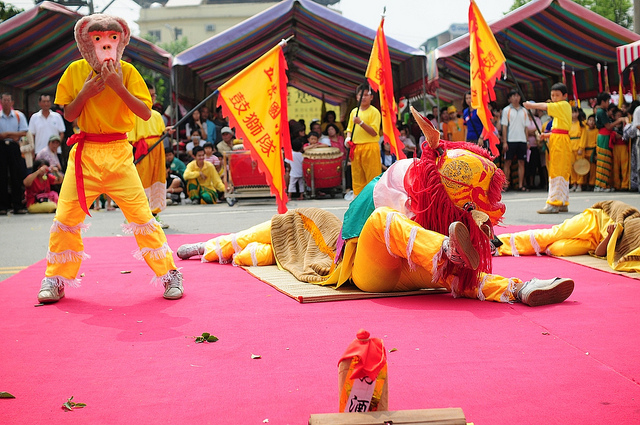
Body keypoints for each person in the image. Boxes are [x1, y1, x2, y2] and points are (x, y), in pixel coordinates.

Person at [176, 107, 574, 307]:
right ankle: (215, 246)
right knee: (286, 231)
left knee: (447, 264)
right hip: (392, 267)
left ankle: (522, 289)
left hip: (404, 267)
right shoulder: (401, 180)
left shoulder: (416, 184)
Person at [37, 14, 183, 304]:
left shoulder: (127, 71)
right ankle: (55, 278)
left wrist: (117, 86)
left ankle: (169, 274)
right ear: (85, 42)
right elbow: (69, 114)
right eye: (98, 38)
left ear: (121, 40)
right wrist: (86, 92)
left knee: (143, 218)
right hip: (84, 154)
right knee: (65, 218)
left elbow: (145, 112)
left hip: (118, 151)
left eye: (112, 38)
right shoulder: (75, 71)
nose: (105, 43)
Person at [497, 200, 640, 273]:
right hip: (594, 221)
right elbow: (622, 211)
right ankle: (499, 243)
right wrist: (615, 229)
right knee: (553, 235)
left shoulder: (633, 249)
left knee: (557, 248)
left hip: (596, 242)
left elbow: (599, 252)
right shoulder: (635, 225)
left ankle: (524, 246)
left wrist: (609, 236)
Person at [524, 83, 572, 213]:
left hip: (560, 142)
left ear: (564, 96)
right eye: (552, 95)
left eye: (557, 95)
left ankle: (554, 203)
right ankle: (562, 201)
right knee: (560, 171)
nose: (555, 97)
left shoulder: (563, 105)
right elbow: (561, 129)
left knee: (557, 171)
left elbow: (546, 106)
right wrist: (548, 134)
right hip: (558, 139)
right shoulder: (560, 109)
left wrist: (531, 105)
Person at [128, 82, 167, 217]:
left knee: (158, 177)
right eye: (148, 95)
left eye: (153, 95)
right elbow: (131, 138)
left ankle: (155, 214)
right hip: (144, 150)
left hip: (158, 149)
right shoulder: (135, 114)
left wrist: (168, 131)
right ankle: (139, 215)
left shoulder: (156, 115)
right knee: (143, 179)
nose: (151, 98)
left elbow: (160, 131)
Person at [345, 83, 382, 196]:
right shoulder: (354, 112)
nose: (364, 97)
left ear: (371, 97)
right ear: (357, 97)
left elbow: (374, 132)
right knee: (357, 176)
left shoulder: (374, 112)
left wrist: (360, 123)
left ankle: (373, 199)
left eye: (366, 95)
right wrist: (348, 138)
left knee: (372, 175)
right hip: (356, 147)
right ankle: (358, 198)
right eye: (362, 95)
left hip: (370, 146)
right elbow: (349, 129)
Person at [0, 92, 28, 215]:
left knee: (16, 175)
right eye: (4, 100)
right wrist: (11, 135)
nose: (6, 102)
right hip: (1, 147)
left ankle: (17, 205)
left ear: (12, 102)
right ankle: (2, 206)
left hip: (14, 147)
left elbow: (23, 132)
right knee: (2, 176)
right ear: (1, 102)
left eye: (8, 100)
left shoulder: (18, 115)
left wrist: (6, 135)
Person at [594, 92, 625, 192]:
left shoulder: (600, 111)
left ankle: (602, 184)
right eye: (607, 101)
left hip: (603, 136)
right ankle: (601, 185)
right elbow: (608, 126)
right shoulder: (601, 112)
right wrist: (619, 120)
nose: (608, 103)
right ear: (603, 101)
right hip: (604, 137)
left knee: (604, 161)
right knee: (604, 161)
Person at [501, 89, 529, 192]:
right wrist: (504, 141)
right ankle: (505, 185)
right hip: (510, 139)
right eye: (513, 96)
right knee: (507, 162)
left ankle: (520, 185)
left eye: (518, 95)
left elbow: (526, 128)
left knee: (522, 162)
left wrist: (527, 141)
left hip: (522, 140)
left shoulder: (524, 110)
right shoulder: (506, 110)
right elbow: (504, 127)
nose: (516, 98)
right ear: (510, 98)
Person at [568, 106, 587, 192]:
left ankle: (580, 184)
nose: (574, 114)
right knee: (572, 166)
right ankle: (574, 183)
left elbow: (584, 137)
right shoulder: (568, 124)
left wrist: (581, 147)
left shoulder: (581, 124)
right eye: (572, 112)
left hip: (578, 146)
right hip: (570, 147)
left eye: (575, 112)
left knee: (579, 166)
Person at [582, 114, 598, 191]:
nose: (591, 122)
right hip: (585, 152)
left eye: (593, 121)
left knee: (592, 170)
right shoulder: (585, 130)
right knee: (584, 169)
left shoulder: (596, 131)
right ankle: (584, 183)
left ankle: (591, 184)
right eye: (590, 120)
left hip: (592, 152)